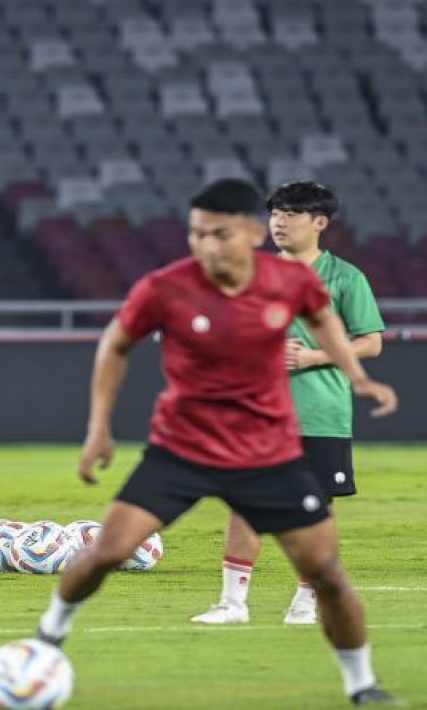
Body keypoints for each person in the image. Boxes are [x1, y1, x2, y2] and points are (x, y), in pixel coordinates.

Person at [29, 179, 402, 706]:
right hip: (183, 448)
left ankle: (362, 684)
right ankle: (49, 634)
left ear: (250, 233)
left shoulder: (293, 283)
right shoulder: (165, 287)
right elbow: (115, 345)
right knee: (108, 550)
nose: (205, 244)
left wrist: (358, 379)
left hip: (268, 454)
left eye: (218, 233)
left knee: (327, 574)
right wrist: (98, 429)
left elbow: (329, 324)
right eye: (196, 233)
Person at [193, 181, 385, 627]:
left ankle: (308, 600)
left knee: (314, 509)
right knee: (243, 503)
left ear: (319, 223)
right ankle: (232, 604)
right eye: (276, 212)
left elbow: (372, 342)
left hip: (320, 412)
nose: (279, 221)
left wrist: (317, 355)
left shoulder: (345, 278)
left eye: (291, 213)